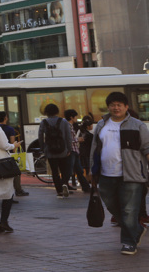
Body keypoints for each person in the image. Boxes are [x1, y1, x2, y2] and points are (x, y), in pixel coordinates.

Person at [90, 91, 149, 255]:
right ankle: (136, 229)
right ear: (108, 107)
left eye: (119, 105)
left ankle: (129, 243)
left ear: (126, 107)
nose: (115, 108)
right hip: (106, 174)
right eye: (112, 105)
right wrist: (91, 169)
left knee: (129, 211)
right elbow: (95, 149)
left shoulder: (137, 125)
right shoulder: (102, 125)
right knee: (112, 207)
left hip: (132, 175)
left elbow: (147, 147)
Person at [39, 104, 75, 198]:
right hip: (63, 150)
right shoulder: (63, 121)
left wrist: (43, 148)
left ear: (46, 112)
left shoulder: (44, 122)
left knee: (54, 171)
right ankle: (64, 184)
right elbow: (68, 136)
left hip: (50, 151)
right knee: (64, 170)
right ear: (57, 111)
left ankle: (59, 191)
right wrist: (69, 149)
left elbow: (40, 137)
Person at [0, 111, 28, 197]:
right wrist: (14, 154)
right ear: (6, 118)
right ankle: (18, 190)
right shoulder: (10, 129)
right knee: (15, 173)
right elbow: (12, 143)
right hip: (8, 154)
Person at [64, 109, 91, 193]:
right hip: (71, 150)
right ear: (71, 117)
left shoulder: (70, 125)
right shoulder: (67, 126)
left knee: (79, 170)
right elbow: (67, 139)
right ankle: (63, 185)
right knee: (70, 170)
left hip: (74, 150)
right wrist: (77, 139)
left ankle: (85, 186)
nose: (76, 118)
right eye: (75, 117)